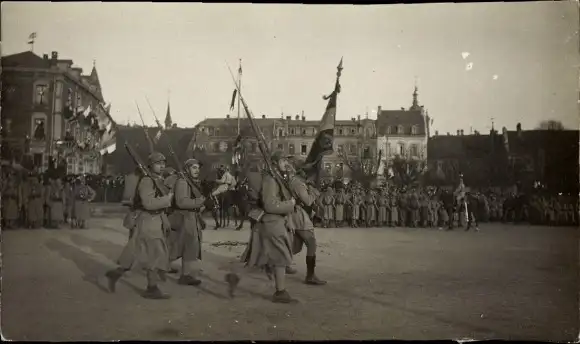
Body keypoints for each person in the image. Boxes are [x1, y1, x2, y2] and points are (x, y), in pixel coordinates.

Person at [105, 152, 174, 299]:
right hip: (148, 220)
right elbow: (148, 203)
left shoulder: (157, 180)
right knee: (154, 254)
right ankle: (152, 287)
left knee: (140, 251)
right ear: (150, 165)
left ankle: (117, 273)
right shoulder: (147, 181)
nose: (161, 166)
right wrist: (166, 200)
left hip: (154, 220)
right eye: (158, 163)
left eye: (163, 163)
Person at [251, 151, 298, 303]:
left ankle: (280, 289)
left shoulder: (277, 179)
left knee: (280, 256)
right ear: (274, 163)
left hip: (278, 221)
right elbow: (270, 205)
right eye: (283, 160)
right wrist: (289, 205)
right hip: (272, 221)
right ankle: (280, 292)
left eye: (287, 160)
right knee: (280, 256)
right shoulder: (270, 180)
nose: (287, 163)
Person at [287, 158, 326, 286]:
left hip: (295, 214)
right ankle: (310, 276)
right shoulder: (298, 183)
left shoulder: (296, 182)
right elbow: (307, 201)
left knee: (295, 246)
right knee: (311, 243)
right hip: (298, 215)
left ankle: (278, 264)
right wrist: (314, 193)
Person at [168, 158, 206, 286]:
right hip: (184, 218)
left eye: (198, 167)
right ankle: (156, 269)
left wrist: (201, 206)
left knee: (190, 247)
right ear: (187, 169)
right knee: (178, 247)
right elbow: (181, 202)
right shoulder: (182, 182)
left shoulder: (192, 182)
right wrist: (200, 201)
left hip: (191, 217)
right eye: (193, 167)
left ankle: (186, 275)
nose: (197, 170)